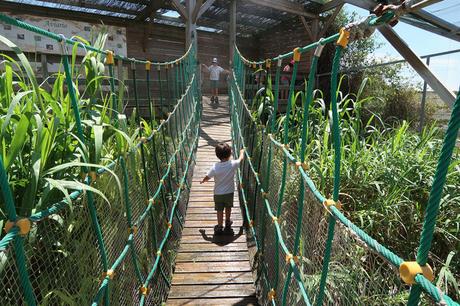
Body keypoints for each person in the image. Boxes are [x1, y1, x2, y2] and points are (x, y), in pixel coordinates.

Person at [200, 143, 245, 235]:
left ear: (217, 155)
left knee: (219, 210)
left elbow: (207, 176)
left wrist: (203, 181)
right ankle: (227, 222)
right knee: (228, 208)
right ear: (229, 154)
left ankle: (220, 226)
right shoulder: (233, 164)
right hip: (229, 193)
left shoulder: (215, 167)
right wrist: (242, 152)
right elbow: (241, 159)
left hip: (218, 194)